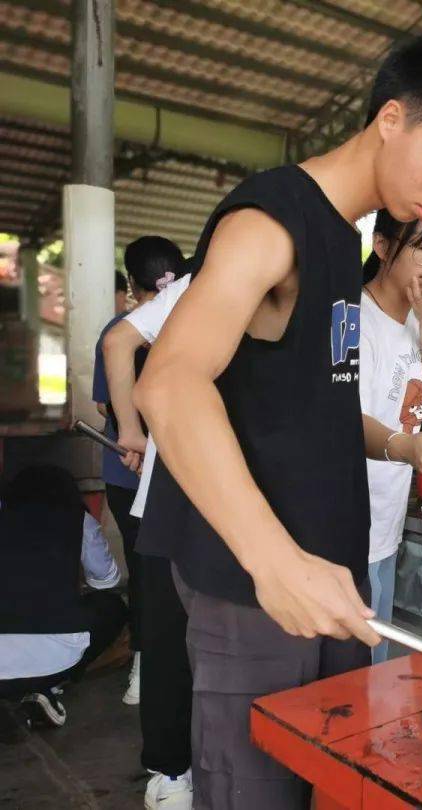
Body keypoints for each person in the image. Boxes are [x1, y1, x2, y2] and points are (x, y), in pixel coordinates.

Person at [131, 36, 422, 809]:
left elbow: (321, 402)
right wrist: (275, 562)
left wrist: (396, 446)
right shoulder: (272, 216)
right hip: (252, 584)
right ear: (391, 118)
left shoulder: (343, 240)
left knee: (327, 783)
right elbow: (168, 383)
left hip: (329, 574)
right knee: (254, 787)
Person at [104, 270, 195, 809]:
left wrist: (131, 428)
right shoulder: (205, 280)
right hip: (179, 494)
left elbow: (118, 341)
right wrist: (131, 428)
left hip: (234, 498)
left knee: (187, 640)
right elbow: (119, 341)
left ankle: (179, 770)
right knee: (170, 637)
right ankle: (171, 768)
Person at [359, 205, 422, 661]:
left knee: (373, 668)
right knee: (350, 678)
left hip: (385, 523)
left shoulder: (414, 326)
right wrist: (406, 447)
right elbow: (343, 417)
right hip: (344, 529)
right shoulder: (353, 318)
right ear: (382, 246)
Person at [92, 236, 184, 706]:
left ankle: (145, 665)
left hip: (128, 474)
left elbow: (110, 401)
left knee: (145, 574)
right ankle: (168, 666)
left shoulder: (119, 329)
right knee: (177, 575)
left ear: (132, 282)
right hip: (183, 471)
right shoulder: (195, 322)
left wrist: (134, 434)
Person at [0, 465, 126, 729]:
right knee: (113, 606)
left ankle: (30, 692)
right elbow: (107, 581)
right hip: (56, 661)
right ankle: (46, 688)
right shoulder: (77, 519)